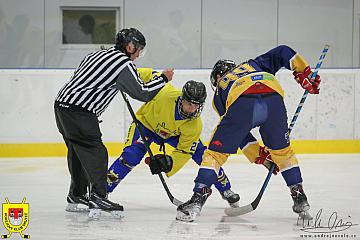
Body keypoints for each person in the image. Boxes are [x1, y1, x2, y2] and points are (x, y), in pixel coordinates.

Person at [176, 45, 321, 222]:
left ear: (218, 77)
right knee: (283, 153)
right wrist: (303, 72)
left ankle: (197, 199)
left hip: (241, 102)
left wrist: (258, 155)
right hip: (273, 98)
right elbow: (283, 51)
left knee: (214, 154)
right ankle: (299, 197)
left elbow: (240, 134)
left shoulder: (220, 91)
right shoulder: (253, 64)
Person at [54, 27, 174, 218]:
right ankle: (98, 197)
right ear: (130, 46)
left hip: (62, 106)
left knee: (78, 152)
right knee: (96, 153)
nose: (138, 54)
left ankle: (76, 196)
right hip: (80, 112)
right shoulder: (123, 63)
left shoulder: (98, 54)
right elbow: (142, 92)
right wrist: (163, 79)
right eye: (139, 49)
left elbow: (89, 79)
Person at [107, 71, 240, 207]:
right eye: (189, 103)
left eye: (197, 105)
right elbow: (146, 75)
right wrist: (121, 74)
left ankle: (225, 188)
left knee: (204, 156)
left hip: (173, 134)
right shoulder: (165, 92)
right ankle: (103, 189)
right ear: (182, 98)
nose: (192, 109)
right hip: (146, 125)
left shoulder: (194, 125)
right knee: (131, 155)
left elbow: (184, 151)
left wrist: (169, 162)